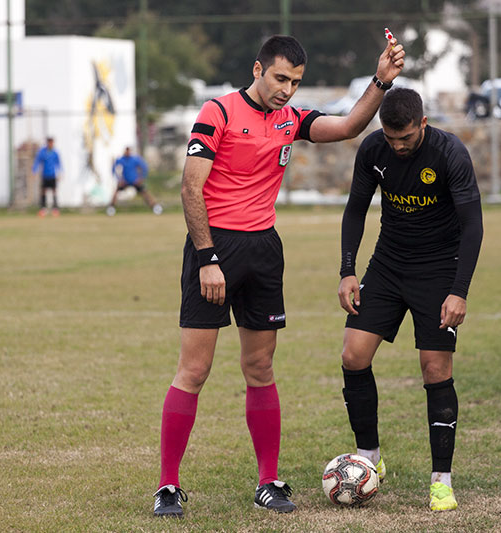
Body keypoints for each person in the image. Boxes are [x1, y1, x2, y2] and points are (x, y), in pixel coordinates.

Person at [152, 34, 405, 518]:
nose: (287, 90)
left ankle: (268, 481)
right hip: (215, 248)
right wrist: (207, 257)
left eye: (295, 82)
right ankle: (168, 486)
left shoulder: (292, 119)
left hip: (265, 250)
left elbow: (351, 124)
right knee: (195, 369)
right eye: (280, 78)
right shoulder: (218, 113)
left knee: (261, 368)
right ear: (257, 70)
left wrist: (381, 82)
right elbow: (190, 188)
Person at [336, 87, 483, 512]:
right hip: (388, 264)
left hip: (439, 269)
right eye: (390, 138)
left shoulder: (450, 154)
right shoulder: (373, 149)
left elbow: (473, 226)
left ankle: (441, 481)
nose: (397, 146)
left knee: (435, 369)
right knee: (353, 355)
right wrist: (348, 270)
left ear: (422, 123)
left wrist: (459, 291)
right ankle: (369, 460)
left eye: (405, 139)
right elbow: (355, 210)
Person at [107, 146, 162, 216]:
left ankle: (155, 207)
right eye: (126, 151)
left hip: (135, 181)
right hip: (125, 182)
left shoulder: (135, 159)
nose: (127, 152)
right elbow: (113, 169)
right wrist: (119, 179)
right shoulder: (121, 159)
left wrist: (141, 178)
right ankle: (111, 208)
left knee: (145, 193)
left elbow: (144, 168)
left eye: (129, 151)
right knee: (115, 192)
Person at [32, 137, 62, 216]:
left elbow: (58, 164)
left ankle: (55, 209)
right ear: (47, 143)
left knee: (54, 191)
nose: (50, 144)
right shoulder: (42, 152)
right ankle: (43, 209)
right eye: (49, 142)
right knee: (43, 191)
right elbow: (37, 161)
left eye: (52, 143)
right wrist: (34, 171)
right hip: (45, 175)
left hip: (52, 175)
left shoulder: (55, 153)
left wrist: (60, 173)